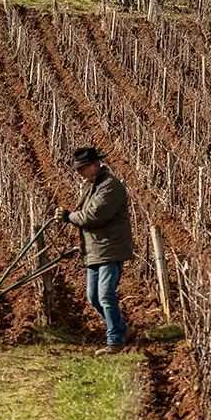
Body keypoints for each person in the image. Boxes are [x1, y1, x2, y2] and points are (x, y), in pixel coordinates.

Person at [54, 147, 135, 355]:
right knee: (94, 297)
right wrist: (70, 216)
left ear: (94, 165)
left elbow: (94, 216)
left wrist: (69, 217)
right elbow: (84, 213)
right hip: (94, 250)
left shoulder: (110, 186)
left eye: (81, 168)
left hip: (110, 248)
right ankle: (123, 330)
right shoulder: (92, 186)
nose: (79, 173)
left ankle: (115, 341)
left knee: (106, 295)